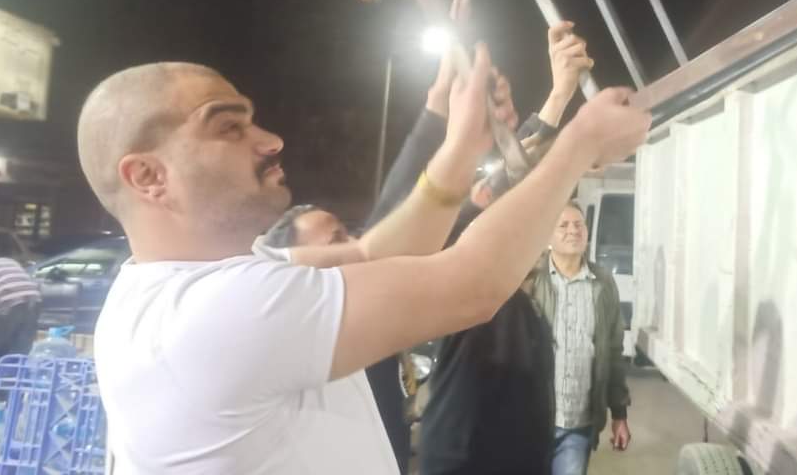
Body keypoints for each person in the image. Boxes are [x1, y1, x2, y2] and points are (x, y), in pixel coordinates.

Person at [77, 42, 650, 473]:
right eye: (228, 127)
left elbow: (376, 251)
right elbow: (471, 285)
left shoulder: (203, 285)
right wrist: (579, 146)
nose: (270, 140)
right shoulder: (209, 315)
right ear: (147, 176)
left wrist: (461, 146)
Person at [254, 22, 519, 473]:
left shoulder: (346, 329)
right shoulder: (287, 328)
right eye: (335, 242)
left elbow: (375, 245)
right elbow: (394, 239)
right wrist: (577, 142)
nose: (354, 244)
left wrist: (446, 112)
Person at [417, 20, 594, 475]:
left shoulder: (520, 309)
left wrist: (561, 95)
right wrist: (563, 109)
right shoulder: (470, 295)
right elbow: (511, 178)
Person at [527, 202, 632, 475]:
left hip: (578, 423)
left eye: (578, 225)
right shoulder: (532, 281)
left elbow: (613, 351)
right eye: (563, 225)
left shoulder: (603, 283)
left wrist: (619, 413)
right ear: (548, 236)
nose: (573, 231)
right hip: (530, 420)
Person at [0, 256, 41, 418]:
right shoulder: (5, 261)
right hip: (33, 302)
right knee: (13, 362)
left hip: (4, 302)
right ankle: (13, 411)